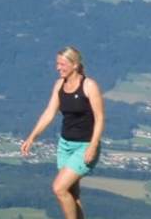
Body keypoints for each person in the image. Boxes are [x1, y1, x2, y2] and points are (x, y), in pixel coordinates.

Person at [20, 46, 104, 219]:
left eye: (62, 64)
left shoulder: (89, 86)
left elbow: (100, 118)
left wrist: (93, 146)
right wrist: (32, 137)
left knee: (59, 188)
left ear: (74, 64)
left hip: (85, 145)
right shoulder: (59, 85)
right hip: (65, 145)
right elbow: (49, 113)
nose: (58, 68)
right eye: (57, 64)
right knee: (72, 194)